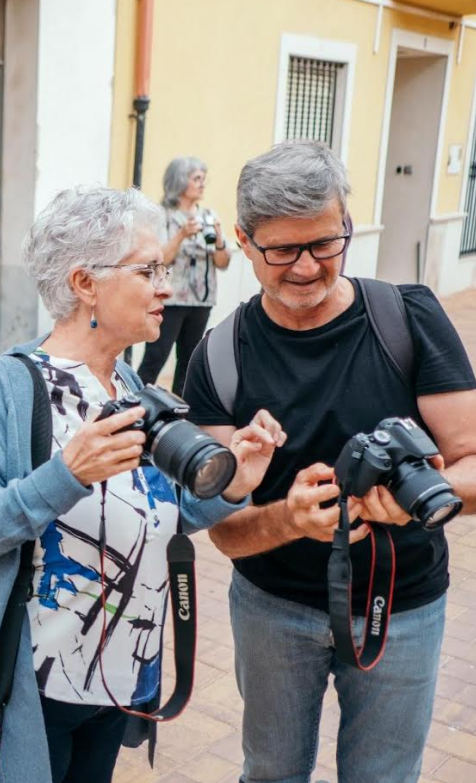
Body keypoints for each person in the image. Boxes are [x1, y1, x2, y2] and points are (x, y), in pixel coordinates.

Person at [0, 186, 285, 783]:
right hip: (31, 692)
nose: (166, 287)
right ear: (85, 283)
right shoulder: (1, 392)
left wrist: (231, 484)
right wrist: (64, 476)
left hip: (118, 680)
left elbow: (158, 512)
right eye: (148, 271)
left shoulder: (130, 386)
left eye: (163, 270)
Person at [182, 140, 476, 783]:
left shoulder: (408, 318)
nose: (308, 267)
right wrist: (289, 519)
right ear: (244, 240)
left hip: (402, 604)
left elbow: (473, 460)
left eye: (325, 243)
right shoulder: (220, 356)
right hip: (273, 609)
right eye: (283, 250)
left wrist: (419, 496)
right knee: (271, 772)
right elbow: (223, 532)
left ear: (347, 223)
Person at [137, 157, 231, 395]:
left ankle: (179, 409)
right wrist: (181, 235)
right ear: (180, 181)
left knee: (189, 361)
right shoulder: (163, 216)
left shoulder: (208, 215)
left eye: (203, 179)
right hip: (170, 300)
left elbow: (223, 263)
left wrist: (219, 239)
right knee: (155, 357)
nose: (202, 184)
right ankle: (135, 402)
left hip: (201, 301)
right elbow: (160, 260)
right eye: (196, 178)